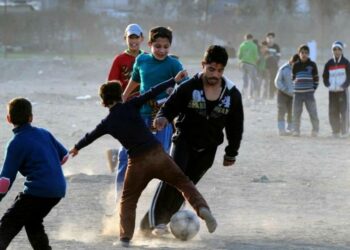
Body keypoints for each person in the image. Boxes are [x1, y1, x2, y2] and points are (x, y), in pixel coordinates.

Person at [69, 71, 217, 247]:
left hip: (137, 162)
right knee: (183, 183)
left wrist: (76, 148)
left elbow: (90, 136)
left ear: (104, 102)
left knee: (129, 200)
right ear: (121, 96)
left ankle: (124, 239)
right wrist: (173, 80)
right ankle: (202, 208)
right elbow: (152, 92)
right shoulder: (132, 104)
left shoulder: (107, 122)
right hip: (158, 154)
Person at [140, 45, 244, 236]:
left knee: (186, 187)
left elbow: (236, 126)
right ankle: (157, 223)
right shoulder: (188, 87)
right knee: (172, 179)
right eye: (211, 69)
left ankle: (150, 225)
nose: (215, 74)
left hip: (208, 149)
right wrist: (162, 118)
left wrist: (232, 152)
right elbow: (169, 107)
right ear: (203, 65)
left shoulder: (232, 94)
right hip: (183, 142)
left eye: (220, 70)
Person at [0, 98, 68, 250]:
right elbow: (64, 156)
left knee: (9, 222)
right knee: (33, 221)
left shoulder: (16, 143)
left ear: (8, 119)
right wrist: (49, 165)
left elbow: (5, 181)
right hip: (58, 189)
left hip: (38, 191)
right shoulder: (44, 133)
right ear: (31, 117)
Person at [122, 26, 185, 154]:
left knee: (159, 153)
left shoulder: (174, 64)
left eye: (166, 47)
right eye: (157, 46)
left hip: (162, 116)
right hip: (141, 113)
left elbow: (185, 86)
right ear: (150, 44)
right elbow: (135, 79)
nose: (162, 50)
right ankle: (125, 175)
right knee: (129, 152)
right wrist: (124, 95)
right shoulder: (141, 60)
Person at [105, 23, 145, 201]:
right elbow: (112, 83)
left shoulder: (147, 58)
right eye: (131, 37)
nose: (134, 41)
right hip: (126, 107)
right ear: (125, 39)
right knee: (126, 153)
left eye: (136, 37)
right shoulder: (120, 59)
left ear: (142, 39)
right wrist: (113, 104)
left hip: (145, 108)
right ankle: (119, 197)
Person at [322, 41, 350, 138]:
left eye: (339, 49)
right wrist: (328, 85)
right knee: (333, 111)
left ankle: (344, 132)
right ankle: (335, 131)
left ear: (342, 50)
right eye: (334, 49)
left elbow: (349, 77)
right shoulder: (328, 63)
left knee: (344, 111)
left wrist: (344, 86)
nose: (337, 51)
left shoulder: (346, 62)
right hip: (332, 92)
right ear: (332, 51)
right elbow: (325, 76)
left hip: (342, 92)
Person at [292, 44, 320, 137]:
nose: (304, 54)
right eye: (302, 52)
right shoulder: (295, 65)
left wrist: (313, 89)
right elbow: (292, 78)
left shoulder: (312, 65)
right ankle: (296, 130)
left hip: (309, 94)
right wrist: (295, 87)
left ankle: (315, 130)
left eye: (306, 53)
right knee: (296, 112)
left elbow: (316, 79)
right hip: (298, 94)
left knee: (313, 112)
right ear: (299, 54)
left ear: (309, 54)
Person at [274, 54, 299, 136]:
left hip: (294, 95)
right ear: (292, 62)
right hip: (283, 94)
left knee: (292, 112)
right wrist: (285, 89)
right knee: (281, 111)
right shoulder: (283, 69)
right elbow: (277, 81)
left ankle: (290, 128)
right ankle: (281, 129)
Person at [238, 33, 259, 99]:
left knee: (245, 79)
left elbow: (239, 56)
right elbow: (256, 57)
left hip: (243, 63)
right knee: (253, 79)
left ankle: (244, 94)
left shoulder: (242, 45)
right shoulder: (254, 46)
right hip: (251, 64)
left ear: (245, 38)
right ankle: (252, 95)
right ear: (252, 38)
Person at [265, 32, 281, 99]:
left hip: (274, 67)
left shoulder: (276, 47)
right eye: (268, 38)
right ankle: (263, 95)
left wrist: (273, 59)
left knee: (272, 81)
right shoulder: (264, 45)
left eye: (271, 38)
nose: (270, 39)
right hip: (265, 66)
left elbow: (278, 57)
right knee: (264, 81)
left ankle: (271, 95)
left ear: (273, 39)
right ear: (266, 38)